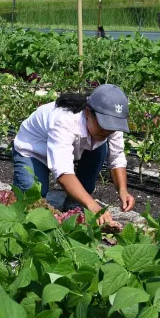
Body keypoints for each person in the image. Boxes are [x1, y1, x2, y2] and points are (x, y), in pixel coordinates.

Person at [12, 84, 135, 225]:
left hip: (75, 148)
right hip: (34, 153)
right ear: (88, 112)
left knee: (101, 148)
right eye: (103, 126)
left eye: (111, 129)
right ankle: (21, 193)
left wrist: (123, 190)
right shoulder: (64, 120)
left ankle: (74, 203)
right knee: (32, 198)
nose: (107, 132)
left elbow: (117, 157)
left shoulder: (110, 121)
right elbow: (63, 172)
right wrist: (93, 206)